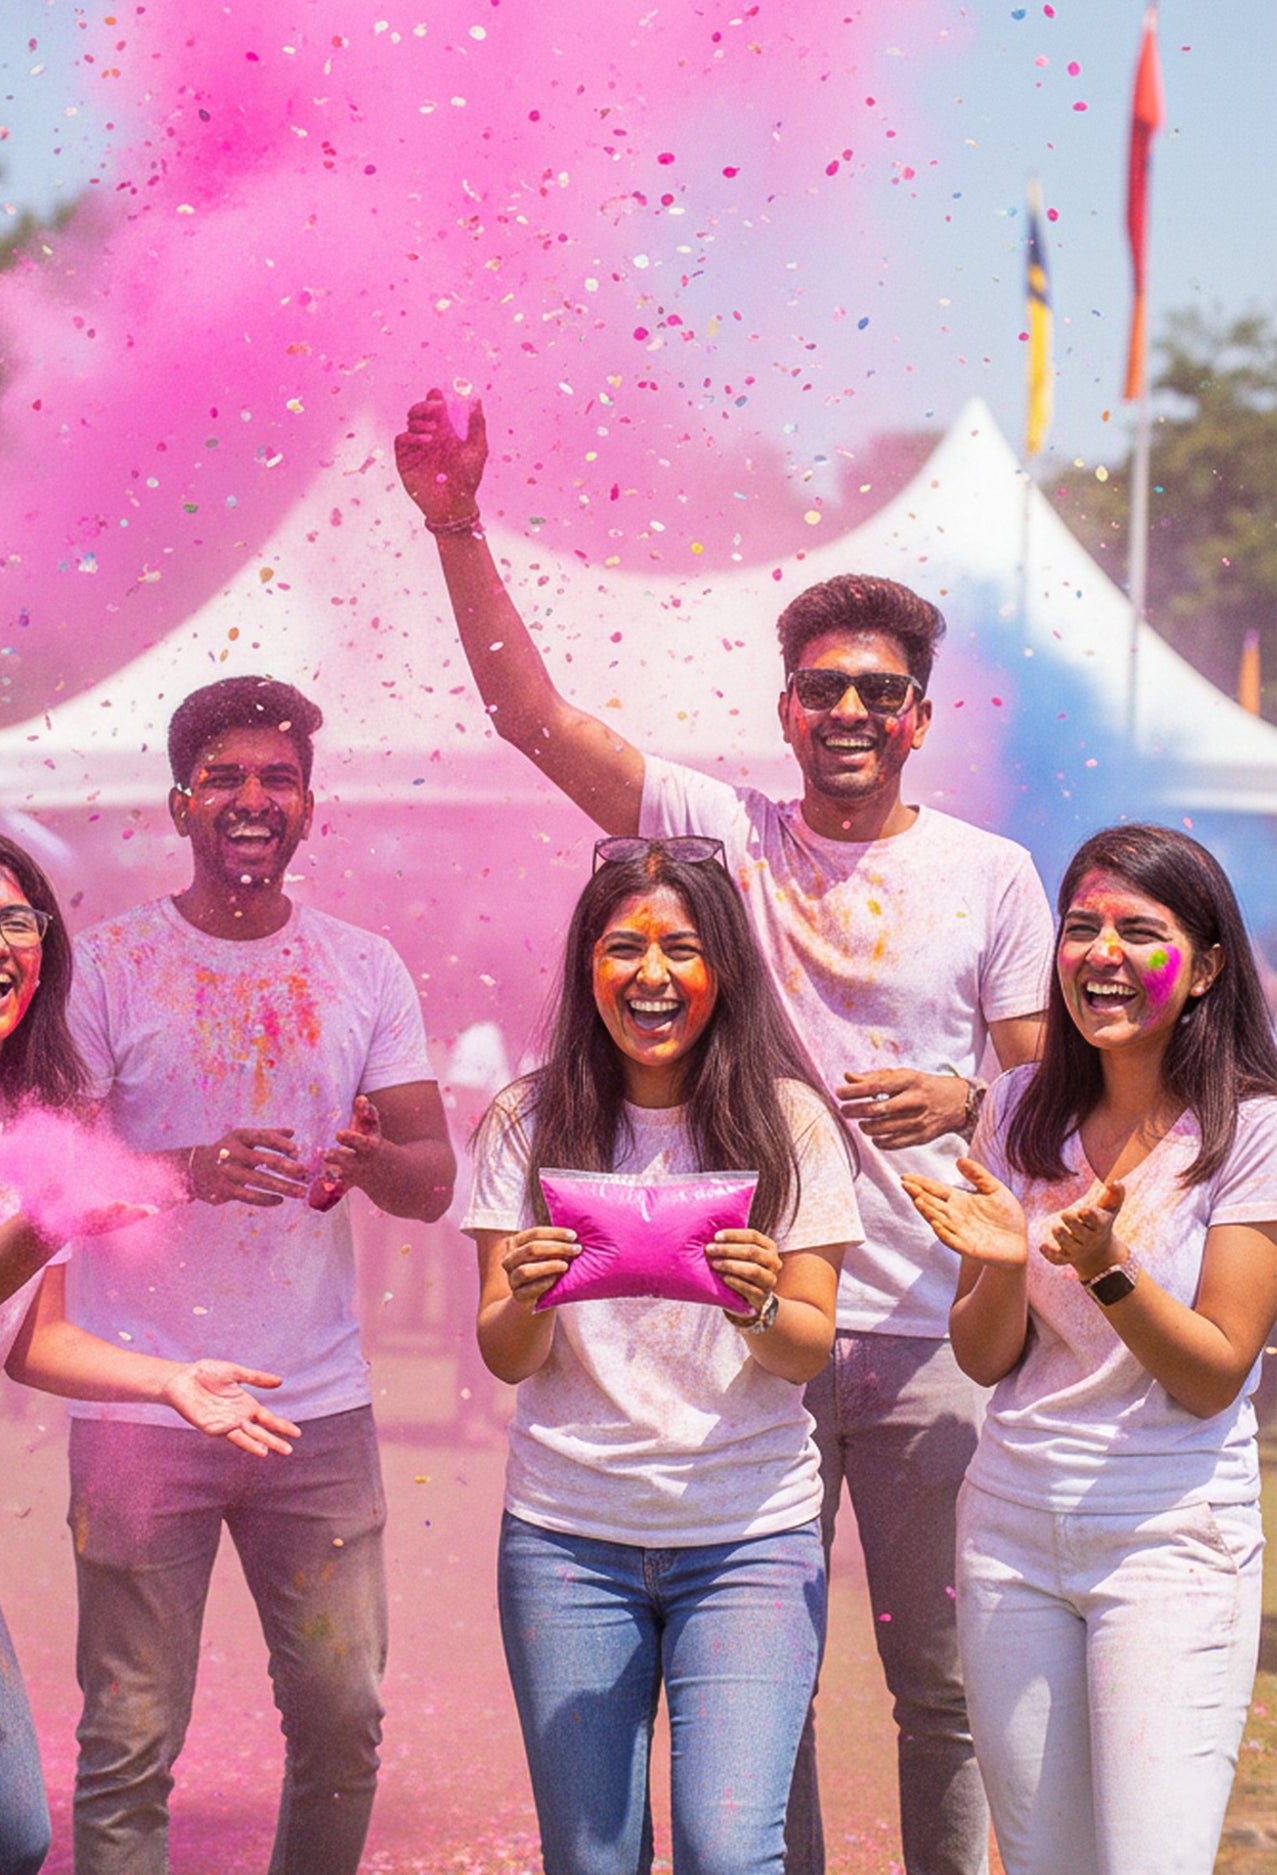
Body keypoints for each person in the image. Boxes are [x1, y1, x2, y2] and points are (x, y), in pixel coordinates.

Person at [396, 387, 1052, 1874]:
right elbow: (530, 718)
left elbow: (1043, 1087)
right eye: (823, 685)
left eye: (879, 690)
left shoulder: (994, 873)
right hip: (737, 1335)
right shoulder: (718, 833)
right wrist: (457, 523)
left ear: (918, 716)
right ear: (785, 707)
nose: (849, 712)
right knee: (772, 1694)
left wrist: (965, 1098)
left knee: (937, 1690)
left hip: (923, 1328)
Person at [0, 826, 296, 1875]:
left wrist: (170, 1379)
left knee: (6, 1835)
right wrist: (52, 1219)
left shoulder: (37, 1118)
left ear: (43, 955)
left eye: (15, 921)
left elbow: (33, 1339)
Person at [62, 675, 456, 1875]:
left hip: (312, 1411)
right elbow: (54, 1184)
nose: (251, 798)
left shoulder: (365, 968)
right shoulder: (105, 965)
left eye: (276, 778)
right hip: (137, 1402)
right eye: (224, 777)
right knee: (130, 1738)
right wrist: (184, 1168)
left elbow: (434, 1175)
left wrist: (371, 1160)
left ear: (309, 807)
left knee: (342, 1721)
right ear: (179, 802)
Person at [466, 836, 862, 1874]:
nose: (650, 976)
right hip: (564, 1540)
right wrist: (526, 1296)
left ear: (723, 967)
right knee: (591, 1859)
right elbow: (505, 1355)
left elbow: (806, 1347)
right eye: (622, 948)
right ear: (585, 965)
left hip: (749, 1540)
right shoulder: (523, 1119)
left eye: (680, 949)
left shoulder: (790, 1124)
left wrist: (756, 1302)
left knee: (729, 1852)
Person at [902, 823, 1277, 1875]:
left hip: (1168, 1544)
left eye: (1136, 931)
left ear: (1203, 969)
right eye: (1079, 929)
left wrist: (1110, 1270)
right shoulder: (1018, 1107)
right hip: (1012, 1537)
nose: (1098, 954)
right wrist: (1005, 1264)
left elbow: (1211, 1375)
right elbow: (982, 1359)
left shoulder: (1250, 1130)